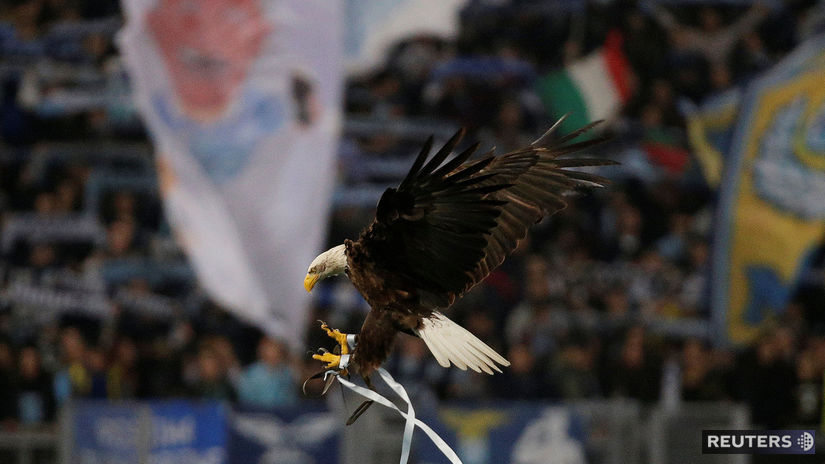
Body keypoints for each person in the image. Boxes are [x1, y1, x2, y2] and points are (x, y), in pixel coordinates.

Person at [237, 337, 297, 408]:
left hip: (283, 411)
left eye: (277, 349)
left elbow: (290, 397)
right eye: (270, 350)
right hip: (257, 412)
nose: (274, 353)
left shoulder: (287, 373)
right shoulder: (251, 374)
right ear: (261, 352)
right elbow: (245, 399)